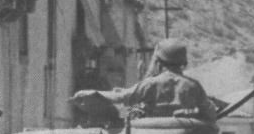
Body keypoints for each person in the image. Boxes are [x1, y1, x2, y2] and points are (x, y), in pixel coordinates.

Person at [72, 38, 221, 122]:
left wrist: (92, 93)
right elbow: (210, 113)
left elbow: (122, 97)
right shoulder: (193, 86)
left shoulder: (150, 84)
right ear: (183, 61)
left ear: (160, 61)